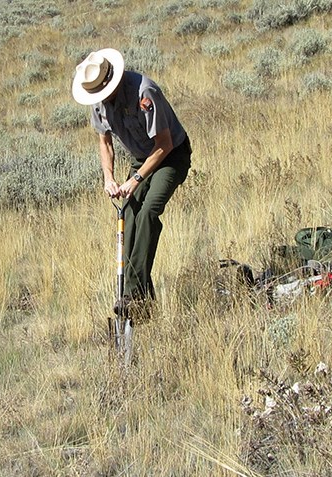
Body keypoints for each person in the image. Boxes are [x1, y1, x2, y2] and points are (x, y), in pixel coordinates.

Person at [72, 48, 192, 318]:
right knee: (128, 214)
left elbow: (165, 143)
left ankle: (131, 293)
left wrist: (136, 179)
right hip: (141, 158)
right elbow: (105, 142)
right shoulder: (98, 101)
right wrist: (109, 178)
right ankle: (144, 306)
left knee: (148, 211)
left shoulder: (144, 92)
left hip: (171, 155)